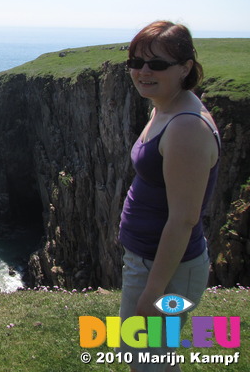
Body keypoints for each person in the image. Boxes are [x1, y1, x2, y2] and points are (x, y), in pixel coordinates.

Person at [117, 21, 220, 371]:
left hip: (165, 271)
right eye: (136, 61)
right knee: (152, 359)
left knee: (146, 361)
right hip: (147, 261)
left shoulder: (186, 127)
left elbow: (184, 219)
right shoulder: (163, 106)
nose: (143, 71)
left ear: (185, 68)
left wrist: (153, 290)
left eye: (157, 64)